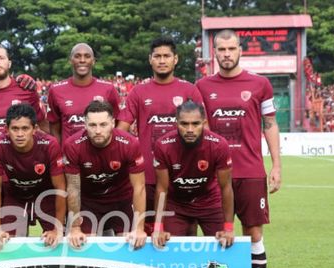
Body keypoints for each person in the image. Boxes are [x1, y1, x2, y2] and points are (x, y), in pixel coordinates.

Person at [196, 29, 281, 268]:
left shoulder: (260, 84)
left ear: (240, 50)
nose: (227, 54)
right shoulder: (202, 86)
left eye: (232, 48)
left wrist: (277, 166)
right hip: (215, 175)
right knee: (217, 235)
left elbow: (269, 124)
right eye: (222, 49)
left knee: (254, 235)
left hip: (251, 173)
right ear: (214, 52)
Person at [116, 37, 204, 234]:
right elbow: (121, 131)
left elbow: (203, 132)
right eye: (157, 56)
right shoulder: (138, 92)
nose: (162, 60)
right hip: (146, 177)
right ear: (150, 59)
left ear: (176, 59)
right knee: (143, 234)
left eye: (167, 56)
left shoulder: (189, 90)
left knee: (184, 236)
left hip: (181, 177)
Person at [62, 100, 147, 249]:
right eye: (92, 125)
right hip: (89, 202)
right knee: (83, 246)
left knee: (131, 245)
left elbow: (139, 187)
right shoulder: (72, 145)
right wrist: (75, 227)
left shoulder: (130, 144)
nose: (98, 131)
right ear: (85, 125)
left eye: (103, 124)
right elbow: (73, 188)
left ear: (113, 123)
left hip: (121, 200)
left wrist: (139, 228)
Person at [151, 101, 234, 248]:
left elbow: (226, 187)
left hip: (209, 202)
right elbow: (161, 189)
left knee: (224, 247)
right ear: (176, 123)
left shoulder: (219, 145)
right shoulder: (163, 145)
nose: (190, 129)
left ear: (204, 123)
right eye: (184, 124)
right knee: (169, 249)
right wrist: (158, 228)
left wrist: (228, 228)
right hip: (176, 204)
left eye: (195, 124)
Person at [0, 103, 66, 251]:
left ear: (35, 129)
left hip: (45, 197)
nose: (20, 134)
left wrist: (58, 228)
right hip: (15, 196)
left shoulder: (50, 144)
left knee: (59, 243)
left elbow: (60, 187)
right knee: (7, 245)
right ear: (6, 129)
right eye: (15, 129)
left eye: (25, 128)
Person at [47, 43, 121, 142]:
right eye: (77, 56)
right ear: (71, 60)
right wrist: (61, 154)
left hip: (102, 154)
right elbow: (54, 129)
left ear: (93, 61)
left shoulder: (108, 89)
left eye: (87, 56)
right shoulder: (56, 90)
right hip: (70, 155)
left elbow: (118, 122)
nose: (82, 60)